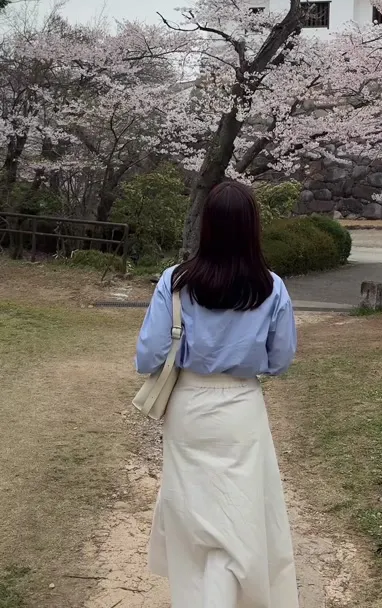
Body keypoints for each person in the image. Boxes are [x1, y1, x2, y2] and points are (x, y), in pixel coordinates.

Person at [135, 180, 299, 608]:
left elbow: (148, 354)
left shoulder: (176, 281)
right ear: (252, 228)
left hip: (189, 406)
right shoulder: (271, 287)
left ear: (207, 225)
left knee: (192, 515)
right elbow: (280, 359)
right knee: (240, 514)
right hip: (241, 407)